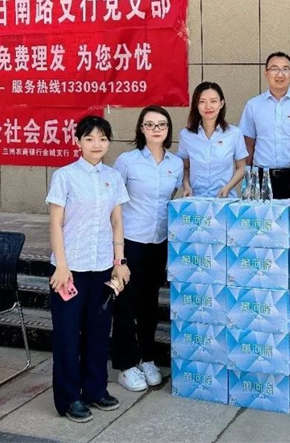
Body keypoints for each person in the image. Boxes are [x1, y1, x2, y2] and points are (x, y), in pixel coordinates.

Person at [46, 116, 130, 423]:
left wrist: (119, 262)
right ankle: (69, 398)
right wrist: (62, 265)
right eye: (90, 138)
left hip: (102, 267)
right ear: (78, 142)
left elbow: (116, 221)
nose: (97, 144)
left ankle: (95, 389)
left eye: (103, 139)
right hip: (70, 270)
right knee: (67, 335)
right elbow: (55, 223)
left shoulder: (113, 177)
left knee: (98, 333)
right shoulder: (65, 176)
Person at [111, 106, 183, 392]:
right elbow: (114, 205)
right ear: (141, 128)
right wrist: (117, 252)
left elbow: (173, 197)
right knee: (125, 303)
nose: (156, 129)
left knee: (150, 304)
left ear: (168, 129)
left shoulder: (175, 164)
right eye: (150, 124)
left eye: (161, 124)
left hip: (159, 242)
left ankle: (147, 358)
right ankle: (126, 365)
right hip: (130, 241)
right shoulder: (127, 162)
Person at [239, 52, 290, 199]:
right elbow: (248, 144)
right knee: (263, 214)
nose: (280, 74)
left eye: (285, 69)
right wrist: (249, 177)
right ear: (266, 73)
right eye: (274, 69)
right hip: (262, 178)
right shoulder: (253, 105)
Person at [178, 82, 248, 197]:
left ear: (221, 103)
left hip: (224, 200)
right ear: (196, 104)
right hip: (196, 200)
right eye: (202, 101)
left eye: (213, 101)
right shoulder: (186, 135)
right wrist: (186, 186)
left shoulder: (234, 133)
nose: (208, 106)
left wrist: (228, 187)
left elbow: (242, 167)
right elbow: (185, 167)